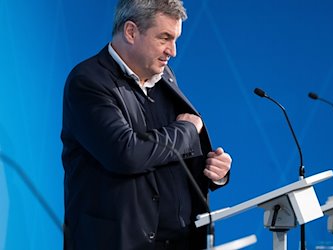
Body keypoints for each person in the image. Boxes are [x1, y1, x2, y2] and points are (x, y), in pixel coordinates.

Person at [61, 0, 232, 249]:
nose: (172, 51)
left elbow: (167, 155)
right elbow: (126, 154)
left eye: (175, 39)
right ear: (131, 32)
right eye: (164, 38)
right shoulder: (88, 81)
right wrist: (185, 131)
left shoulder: (165, 77)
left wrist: (215, 172)